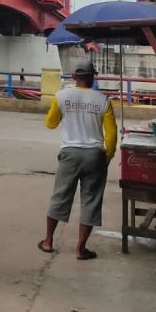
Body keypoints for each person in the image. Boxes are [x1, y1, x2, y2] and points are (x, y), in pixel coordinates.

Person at [39, 62, 116, 260]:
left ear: (74, 77)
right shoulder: (103, 100)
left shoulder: (61, 96)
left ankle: (48, 241)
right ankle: (81, 249)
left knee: (60, 196)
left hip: (70, 154)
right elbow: (112, 135)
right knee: (90, 201)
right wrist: (107, 157)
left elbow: (50, 123)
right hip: (94, 155)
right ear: (93, 77)